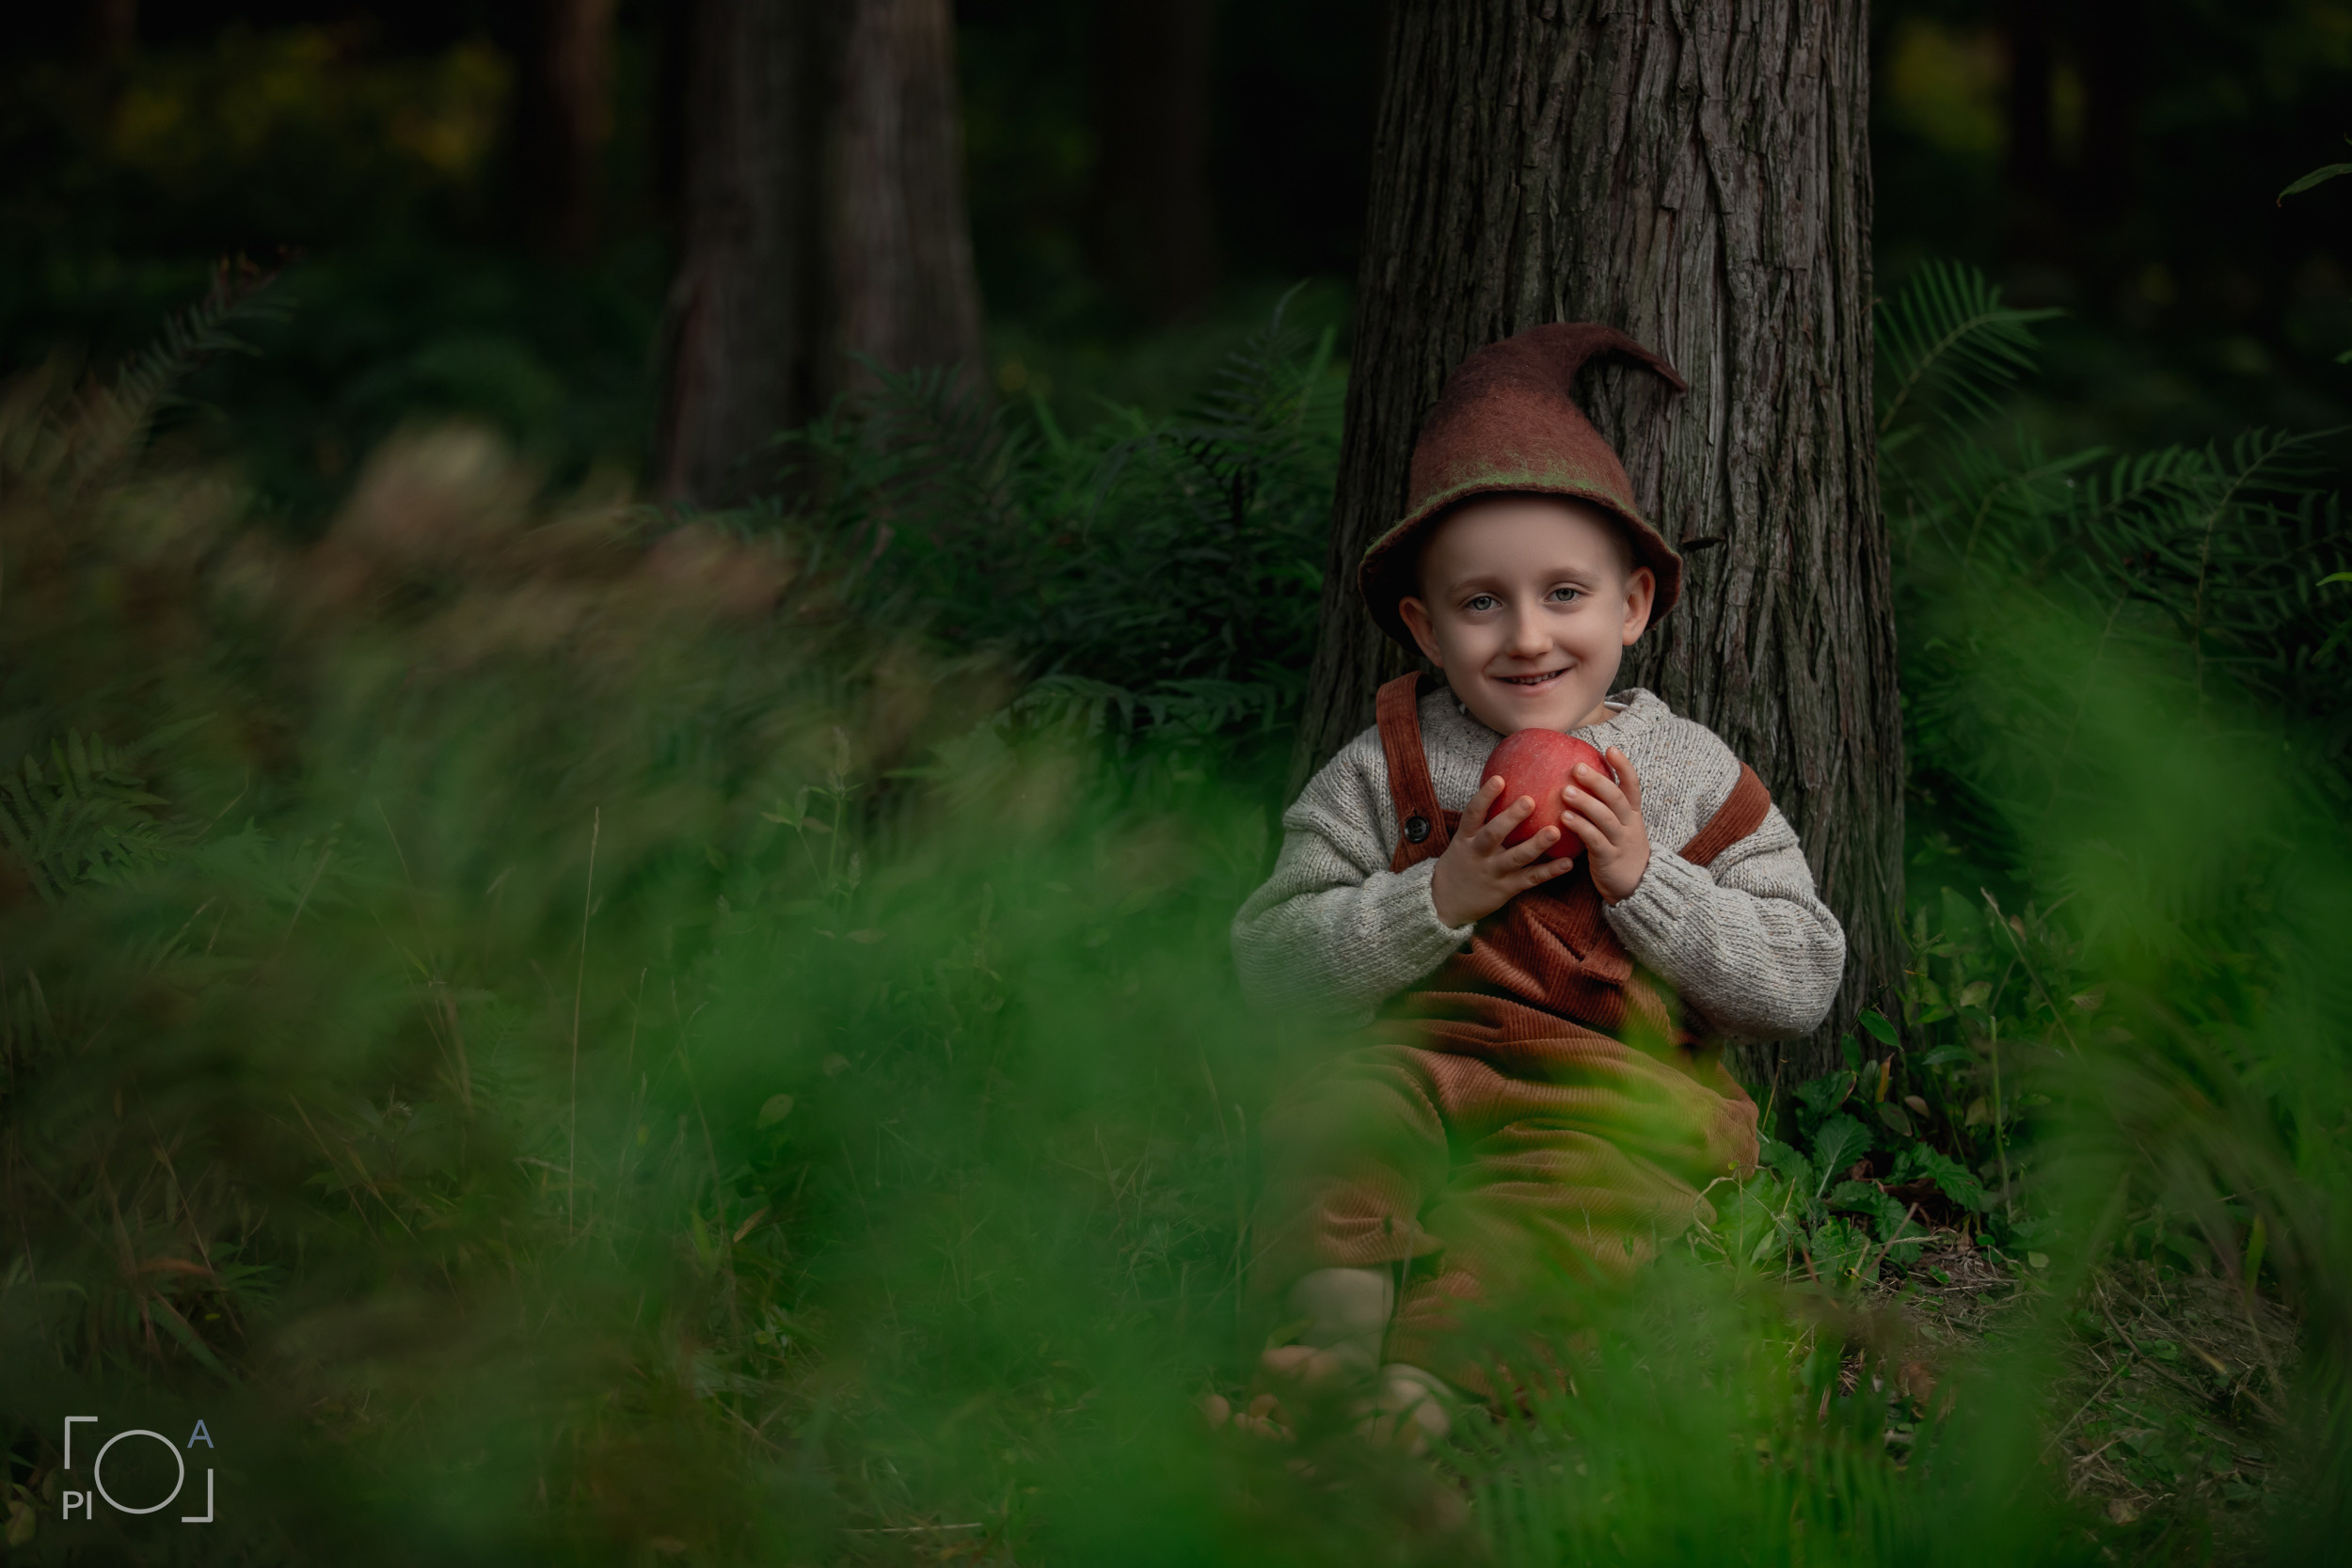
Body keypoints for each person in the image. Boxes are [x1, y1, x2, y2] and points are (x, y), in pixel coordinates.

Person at [1224, 324, 1846, 1449]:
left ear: (1634, 605)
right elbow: (1269, 965)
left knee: (1555, 1214)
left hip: (1608, 1102)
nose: (1526, 637)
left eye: (1565, 592)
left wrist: (1644, 880)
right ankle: (1328, 1348)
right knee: (1341, 1124)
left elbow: (1800, 973)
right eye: (1479, 603)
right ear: (1421, 624)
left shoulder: (1689, 772)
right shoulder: (1384, 768)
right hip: (1418, 1064)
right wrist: (1434, 899)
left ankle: (1424, 1396)